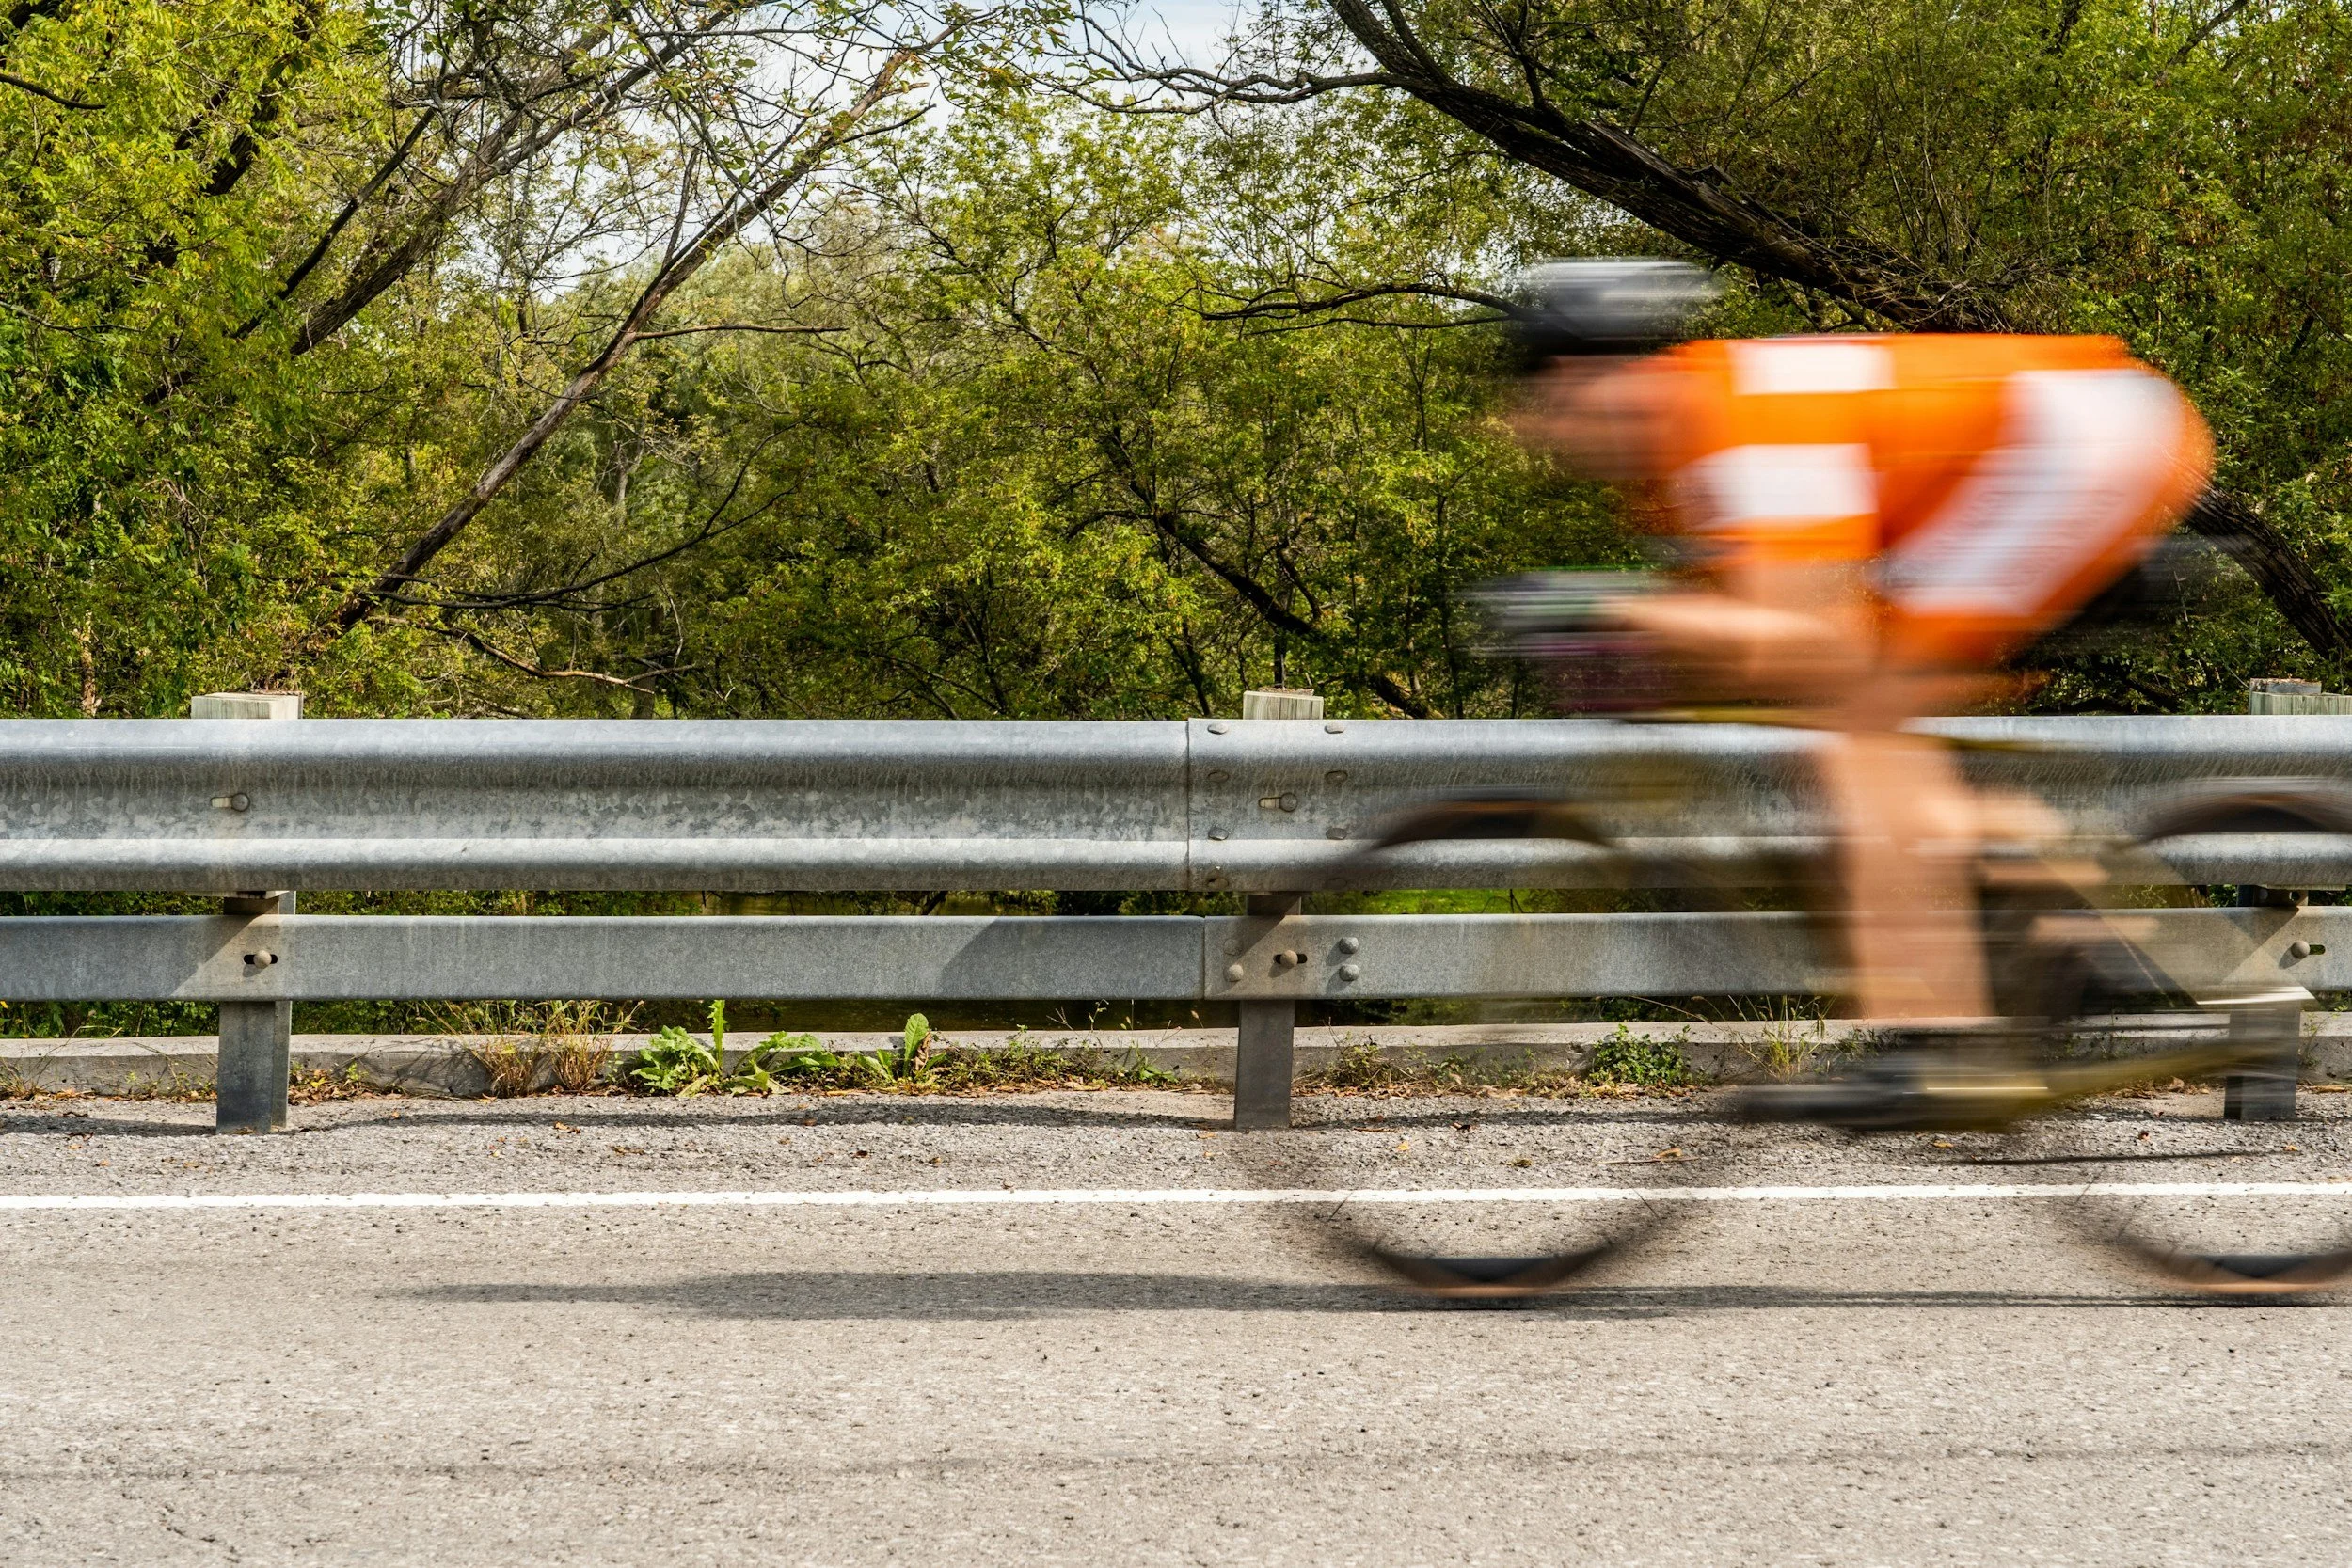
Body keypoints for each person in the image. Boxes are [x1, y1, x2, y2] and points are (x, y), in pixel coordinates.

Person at [1509, 260, 2215, 1021]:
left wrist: (1613, 607)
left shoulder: (1738, 417)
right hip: (2023, 466)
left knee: (1856, 739)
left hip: (2079, 450)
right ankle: (2066, 930)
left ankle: (1935, 1038)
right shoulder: (1673, 467)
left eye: (1552, 402)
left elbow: (1807, 639)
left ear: (1595, 375)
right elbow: (1759, 615)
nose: (1546, 429)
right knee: (1863, 732)